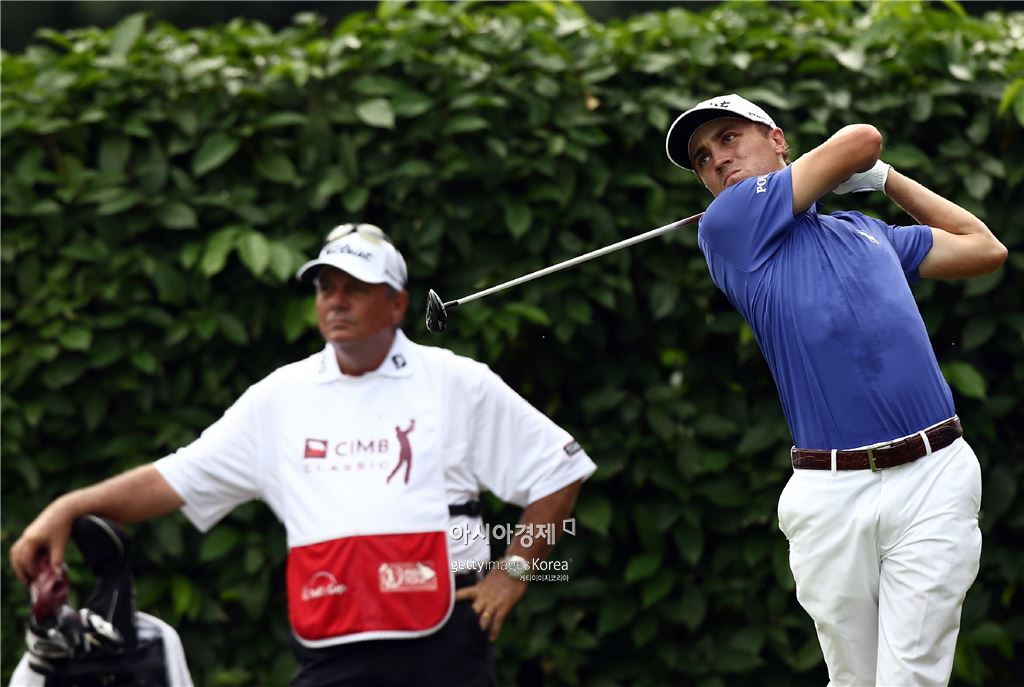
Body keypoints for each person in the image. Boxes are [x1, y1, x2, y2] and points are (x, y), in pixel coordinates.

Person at [10, 222, 597, 687]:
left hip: (443, 644)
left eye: (355, 288)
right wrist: (68, 508)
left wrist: (514, 573)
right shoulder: (280, 398)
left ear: (396, 304)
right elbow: (176, 478)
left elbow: (559, 468)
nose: (336, 301)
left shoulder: (455, 381)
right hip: (329, 646)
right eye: (325, 288)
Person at [664, 94, 1007, 686]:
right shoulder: (728, 226)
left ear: (777, 139)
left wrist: (886, 180)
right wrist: (856, 166)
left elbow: (984, 248)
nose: (716, 159)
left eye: (728, 137)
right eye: (701, 158)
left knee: (911, 677)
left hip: (935, 474)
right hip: (831, 494)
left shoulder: (865, 232)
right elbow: (859, 140)